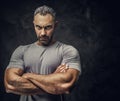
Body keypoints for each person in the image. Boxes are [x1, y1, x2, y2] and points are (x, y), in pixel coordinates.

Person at [4, 5, 81, 101]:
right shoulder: (21, 51)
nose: (43, 33)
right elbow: (10, 83)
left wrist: (27, 75)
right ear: (34, 25)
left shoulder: (68, 51)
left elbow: (66, 84)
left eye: (48, 27)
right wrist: (53, 83)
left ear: (55, 25)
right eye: (38, 27)